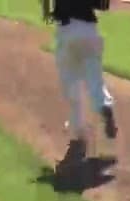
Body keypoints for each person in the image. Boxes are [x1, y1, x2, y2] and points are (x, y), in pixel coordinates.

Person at [42, 0, 118, 161]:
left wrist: (46, 11)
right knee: (95, 79)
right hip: (90, 31)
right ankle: (104, 105)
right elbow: (103, 5)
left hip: (67, 31)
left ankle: (79, 132)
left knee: (70, 83)